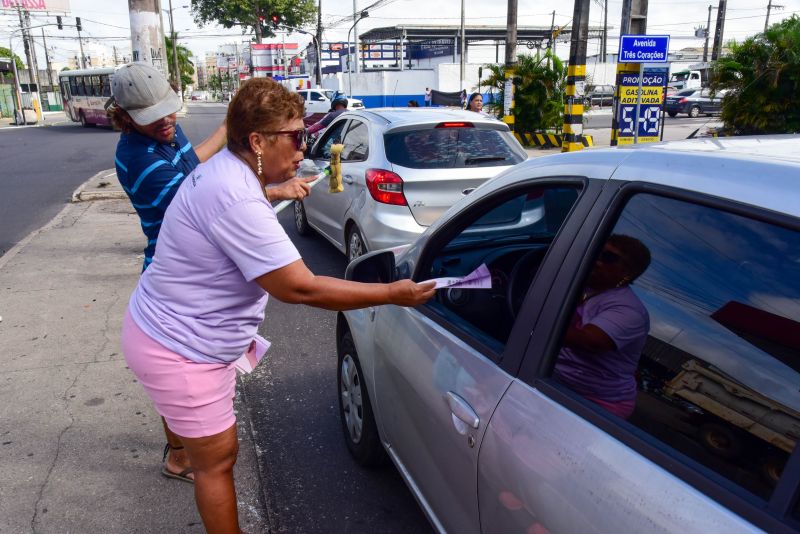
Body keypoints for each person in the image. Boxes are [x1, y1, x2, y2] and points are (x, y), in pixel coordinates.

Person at [119, 77, 436, 533]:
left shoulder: (230, 172)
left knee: (216, 454)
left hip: (174, 328)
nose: (303, 148)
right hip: (179, 348)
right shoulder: (234, 194)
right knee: (217, 462)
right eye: (295, 136)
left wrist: (277, 190)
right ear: (257, 142)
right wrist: (392, 293)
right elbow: (300, 287)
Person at [106, 62, 228, 484]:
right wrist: (273, 188)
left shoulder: (166, 132)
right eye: (153, 116)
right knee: (179, 376)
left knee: (192, 372)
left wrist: (229, 129)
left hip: (192, 270)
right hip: (171, 276)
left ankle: (186, 447)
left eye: (170, 109)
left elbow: (194, 165)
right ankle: (179, 456)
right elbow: (202, 204)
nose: (167, 121)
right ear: (124, 117)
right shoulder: (138, 159)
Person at [554, 234, 651, 419]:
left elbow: (590, 342)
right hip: (555, 379)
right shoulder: (580, 285)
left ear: (627, 273)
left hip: (598, 402)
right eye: (596, 251)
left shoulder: (629, 309)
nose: (596, 259)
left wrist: (533, 314)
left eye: (607, 257)